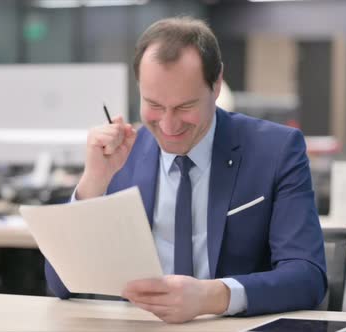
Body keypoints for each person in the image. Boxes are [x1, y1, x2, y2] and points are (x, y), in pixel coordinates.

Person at [45, 16, 326, 324]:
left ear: (216, 84)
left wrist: (213, 297)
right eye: (154, 104)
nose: (168, 125)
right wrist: (94, 181)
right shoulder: (121, 155)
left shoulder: (276, 150)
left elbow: (307, 276)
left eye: (184, 107)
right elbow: (61, 284)